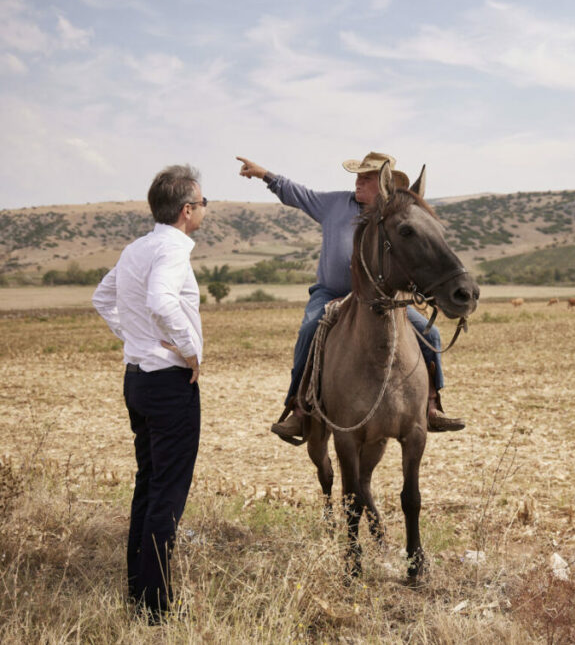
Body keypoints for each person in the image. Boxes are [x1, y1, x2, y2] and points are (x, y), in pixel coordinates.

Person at [235, 151, 464, 441]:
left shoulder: (393, 216)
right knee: (309, 329)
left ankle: (432, 406)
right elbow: (298, 194)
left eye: (366, 178)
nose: (358, 182)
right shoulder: (334, 204)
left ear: (383, 182)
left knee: (430, 336)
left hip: (380, 299)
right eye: (357, 176)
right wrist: (265, 174)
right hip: (331, 293)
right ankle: (299, 409)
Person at [92, 164, 206, 623]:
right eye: (202, 204)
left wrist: (133, 338)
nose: (204, 211)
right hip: (167, 383)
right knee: (167, 493)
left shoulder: (136, 247)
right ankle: (156, 609)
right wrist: (190, 350)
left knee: (148, 483)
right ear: (185, 211)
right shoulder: (174, 248)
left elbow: (103, 298)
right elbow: (161, 300)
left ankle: (138, 591)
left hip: (137, 378)